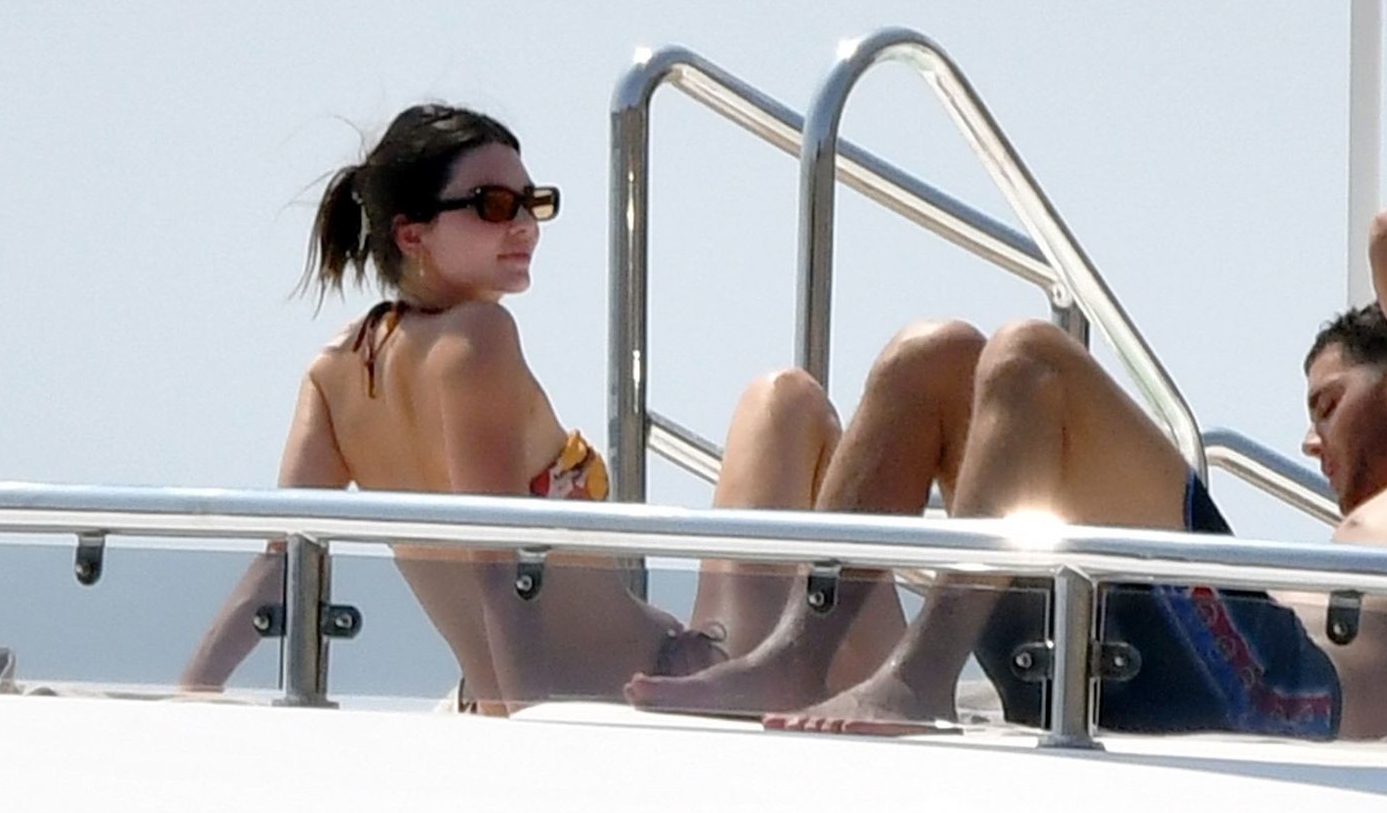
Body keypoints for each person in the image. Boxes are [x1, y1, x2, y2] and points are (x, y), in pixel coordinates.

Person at [626, 209, 1387, 740]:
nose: (1309, 442)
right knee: (934, 355)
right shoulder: (1384, 528)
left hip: (1292, 705)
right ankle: (798, 652)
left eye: (1327, 405)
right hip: (1155, 660)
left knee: (1031, 358)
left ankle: (918, 677)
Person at [178, 104, 901, 713]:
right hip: (640, 689)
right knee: (786, 401)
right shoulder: (477, 337)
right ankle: (895, 693)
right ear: (411, 233)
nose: (524, 225)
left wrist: (193, 691)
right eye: (494, 206)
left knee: (787, 413)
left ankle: (876, 690)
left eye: (534, 203)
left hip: (504, 694)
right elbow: (499, 562)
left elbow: (282, 563)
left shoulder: (334, 371)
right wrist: (528, 729)